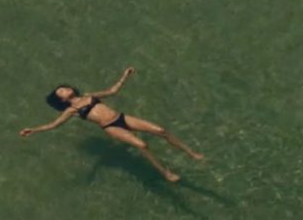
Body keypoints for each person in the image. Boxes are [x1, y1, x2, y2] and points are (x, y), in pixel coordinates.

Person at [19, 67, 203, 182]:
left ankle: (191, 153)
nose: (65, 89)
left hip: (122, 117)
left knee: (160, 130)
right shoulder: (71, 110)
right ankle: (166, 173)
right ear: (62, 100)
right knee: (142, 145)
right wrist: (33, 130)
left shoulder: (89, 96)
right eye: (61, 91)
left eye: (64, 87)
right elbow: (54, 125)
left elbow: (112, 91)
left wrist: (125, 75)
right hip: (110, 127)